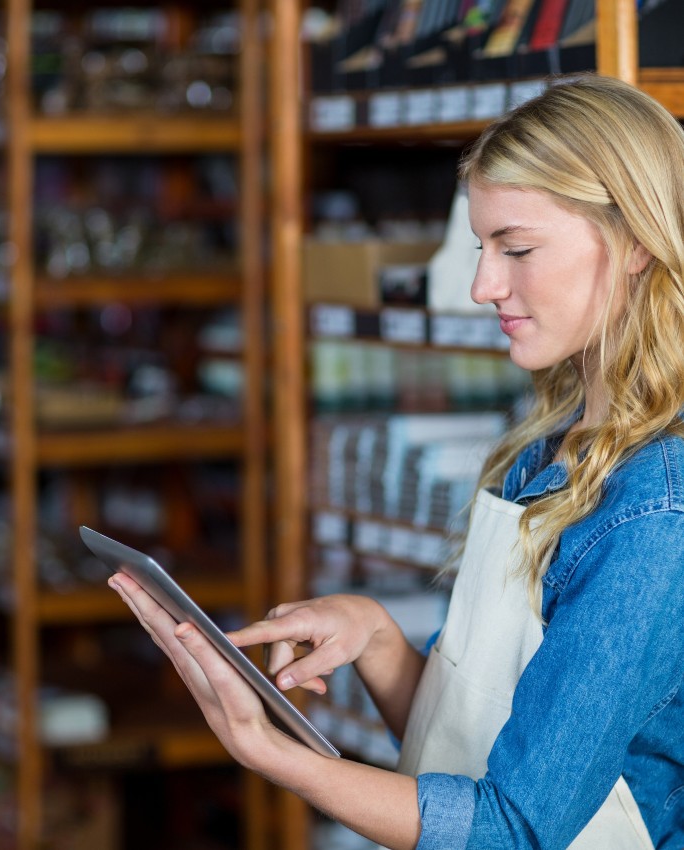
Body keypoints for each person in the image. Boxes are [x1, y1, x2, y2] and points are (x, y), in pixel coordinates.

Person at [108, 73, 684, 850]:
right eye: (482, 247)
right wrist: (379, 640)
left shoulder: (657, 513)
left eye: (516, 248)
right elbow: (482, 746)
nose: (484, 285)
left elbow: (514, 829)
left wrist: (274, 754)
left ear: (638, 240)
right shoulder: (547, 449)